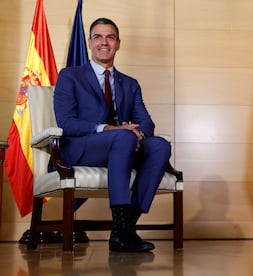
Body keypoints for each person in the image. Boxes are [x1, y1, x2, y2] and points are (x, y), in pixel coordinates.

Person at [54, 18, 171, 252]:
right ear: (89, 43)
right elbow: (66, 123)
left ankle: (124, 228)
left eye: (110, 37)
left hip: (124, 145)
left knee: (159, 146)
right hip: (81, 149)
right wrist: (109, 130)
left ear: (118, 44)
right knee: (123, 137)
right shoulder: (70, 76)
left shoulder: (130, 84)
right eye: (98, 37)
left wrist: (136, 132)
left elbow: (147, 123)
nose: (104, 42)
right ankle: (122, 226)